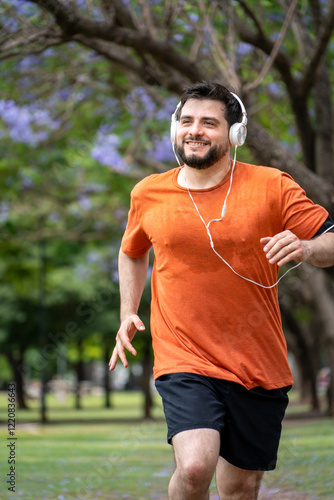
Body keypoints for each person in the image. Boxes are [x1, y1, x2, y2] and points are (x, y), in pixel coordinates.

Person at [109, 82, 334, 500]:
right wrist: (128, 311)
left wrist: (305, 247)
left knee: (240, 487)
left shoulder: (272, 186)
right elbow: (132, 251)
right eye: (187, 121)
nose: (195, 131)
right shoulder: (149, 192)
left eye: (209, 123)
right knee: (195, 467)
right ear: (175, 128)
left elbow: (331, 241)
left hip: (257, 362)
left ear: (234, 135)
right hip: (184, 355)